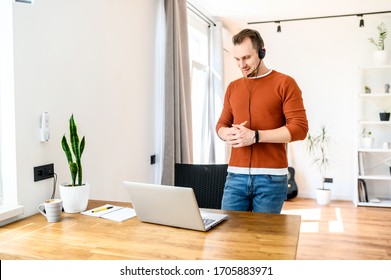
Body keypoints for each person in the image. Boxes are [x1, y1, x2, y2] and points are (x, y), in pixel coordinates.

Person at [216, 28, 308, 213]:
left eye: (246, 57)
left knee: (263, 240)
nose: (241, 64)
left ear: (261, 52)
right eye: (237, 59)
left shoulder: (285, 83)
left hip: (271, 179)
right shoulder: (233, 88)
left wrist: (256, 136)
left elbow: (299, 129)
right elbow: (221, 125)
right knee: (231, 237)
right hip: (235, 176)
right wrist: (226, 133)